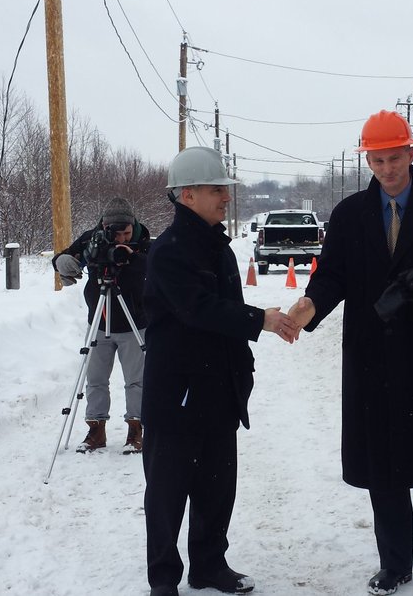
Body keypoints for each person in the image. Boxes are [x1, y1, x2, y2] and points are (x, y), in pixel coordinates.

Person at [287, 110, 413, 596]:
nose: (387, 169)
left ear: (411, 154)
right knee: (385, 468)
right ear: (367, 160)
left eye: (394, 158)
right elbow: (333, 275)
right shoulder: (350, 215)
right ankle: (394, 563)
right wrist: (312, 303)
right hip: (373, 359)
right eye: (377, 161)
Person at [142, 147, 299, 596]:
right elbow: (198, 309)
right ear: (187, 195)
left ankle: (209, 565)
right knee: (168, 494)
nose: (225, 198)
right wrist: (260, 320)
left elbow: (221, 307)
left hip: (218, 391)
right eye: (217, 190)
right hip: (178, 397)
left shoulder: (217, 245)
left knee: (215, 488)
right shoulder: (169, 251)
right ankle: (163, 579)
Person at [53, 197, 151, 454]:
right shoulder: (92, 239)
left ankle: (136, 429)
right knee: (95, 379)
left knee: (137, 380)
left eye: (126, 233)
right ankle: (96, 430)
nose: (121, 240)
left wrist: (133, 258)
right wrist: (63, 263)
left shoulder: (144, 241)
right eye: (116, 235)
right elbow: (64, 257)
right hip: (99, 318)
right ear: (105, 227)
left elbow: (159, 269)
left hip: (134, 323)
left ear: (133, 226)